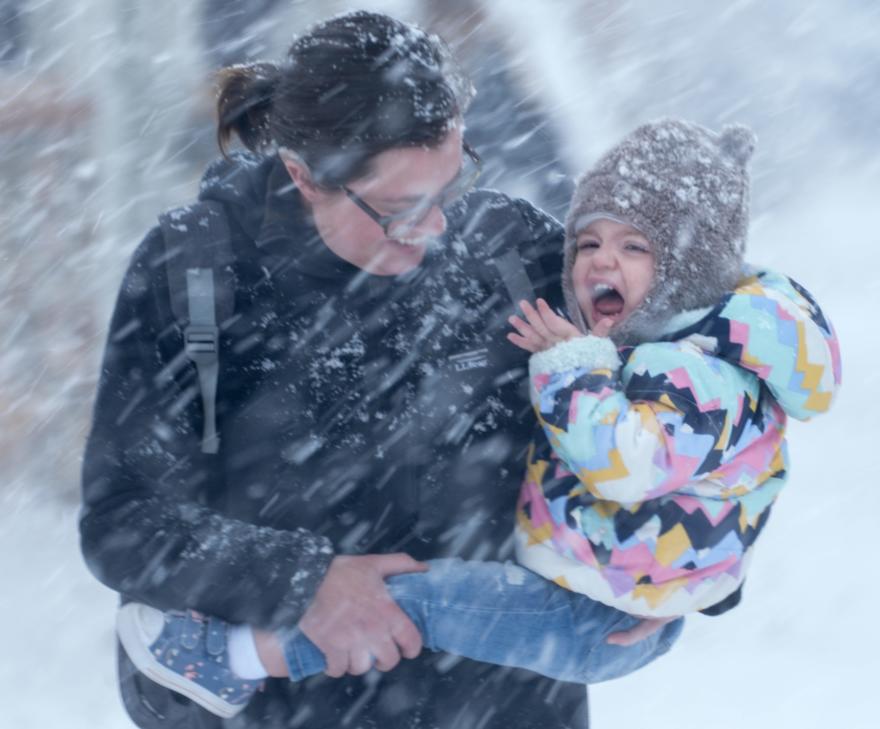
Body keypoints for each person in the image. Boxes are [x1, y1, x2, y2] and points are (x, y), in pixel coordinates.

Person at [109, 118, 842, 719]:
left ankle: (231, 657)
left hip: (520, 671)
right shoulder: (215, 294)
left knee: (416, 602)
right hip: (350, 696)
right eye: (590, 242)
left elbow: (698, 463)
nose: (599, 262)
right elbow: (139, 514)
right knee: (403, 602)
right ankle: (225, 659)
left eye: (436, 181)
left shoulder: (523, 274)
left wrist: (687, 581)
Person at [80, 11, 598, 729]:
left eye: (450, 188)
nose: (437, 228)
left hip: (511, 704)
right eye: (399, 208)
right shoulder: (199, 272)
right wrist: (304, 583)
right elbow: (124, 520)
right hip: (295, 708)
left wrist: (680, 569)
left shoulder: (509, 253)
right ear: (302, 174)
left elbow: (676, 414)